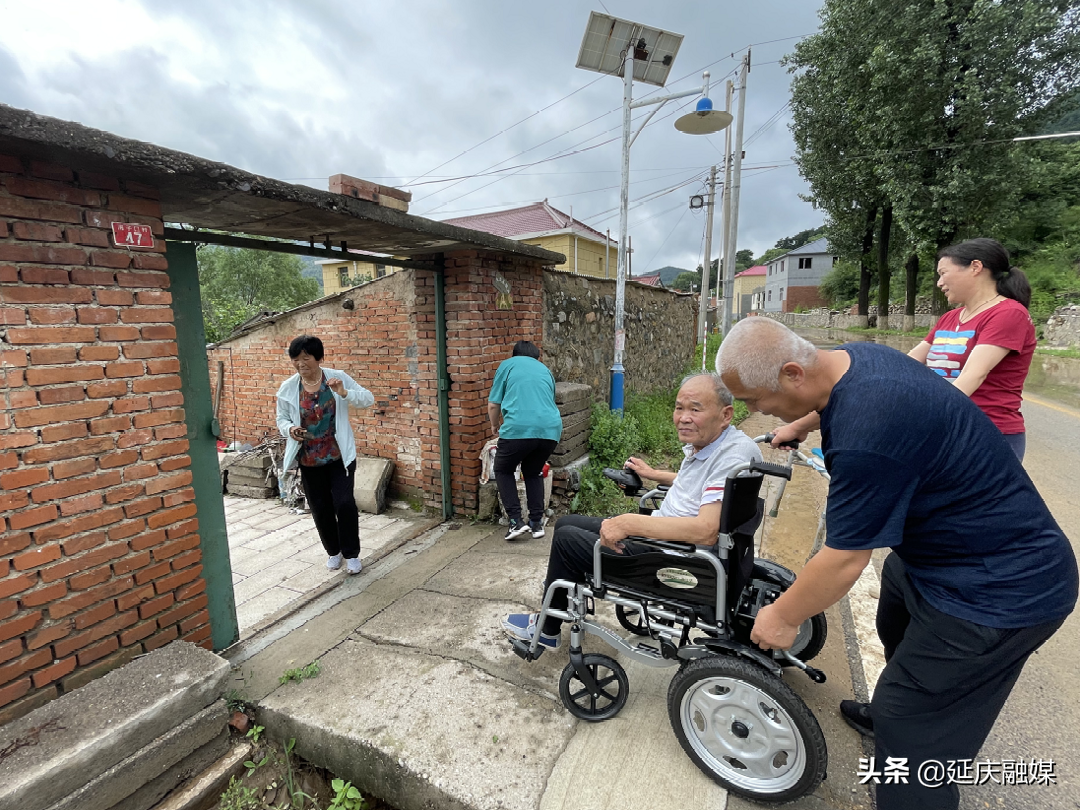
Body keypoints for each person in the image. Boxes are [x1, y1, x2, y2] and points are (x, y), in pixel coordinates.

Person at [715, 317, 1076, 810]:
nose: (754, 411)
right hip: (937, 561)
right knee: (895, 620)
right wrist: (800, 423)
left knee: (911, 728)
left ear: (793, 373)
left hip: (998, 591)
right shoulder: (857, 360)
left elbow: (844, 559)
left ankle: (911, 734)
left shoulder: (867, 433)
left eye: (755, 400)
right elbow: (832, 400)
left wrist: (782, 615)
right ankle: (896, 710)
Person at [501, 372, 762, 648]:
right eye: (679, 408)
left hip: (675, 559)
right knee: (567, 523)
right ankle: (559, 608)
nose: (684, 418)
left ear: (725, 415)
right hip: (670, 541)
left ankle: (547, 630)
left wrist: (629, 524)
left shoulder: (731, 457)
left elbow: (706, 530)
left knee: (567, 541)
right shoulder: (724, 444)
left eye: (695, 410)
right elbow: (699, 485)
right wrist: (653, 474)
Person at [907, 238, 1035, 460]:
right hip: (948, 429)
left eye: (943, 273)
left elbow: (973, 375)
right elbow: (909, 363)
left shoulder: (1008, 313)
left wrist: (928, 417)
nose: (939, 283)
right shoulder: (949, 318)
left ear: (975, 267)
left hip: (987, 435)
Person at [276, 335, 374, 575]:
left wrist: (344, 392)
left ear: (319, 358)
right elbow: (282, 418)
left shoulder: (336, 378)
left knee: (344, 503)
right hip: (309, 459)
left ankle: (351, 554)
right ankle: (333, 551)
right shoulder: (288, 388)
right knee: (320, 508)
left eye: (306, 358)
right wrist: (290, 429)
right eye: (296, 359)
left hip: (339, 457)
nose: (300, 364)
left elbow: (368, 399)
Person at [487, 341, 563, 541]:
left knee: (503, 469)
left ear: (515, 355)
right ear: (537, 357)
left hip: (518, 428)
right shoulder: (545, 370)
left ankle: (515, 522)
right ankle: (536, 523)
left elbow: (493, 404)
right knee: (533, 471)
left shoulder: (507, 365)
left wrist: (494, 426)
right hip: (550, 430)